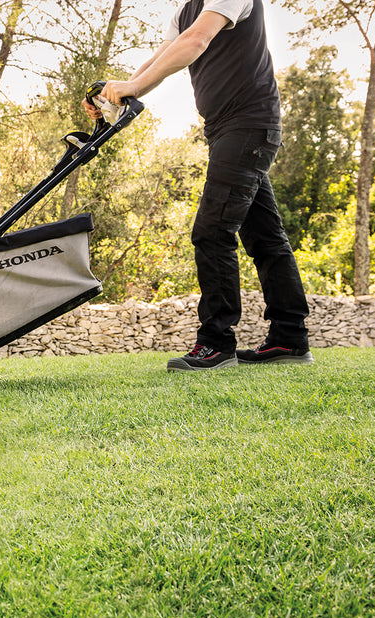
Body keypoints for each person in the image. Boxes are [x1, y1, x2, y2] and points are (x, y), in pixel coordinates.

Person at [83, 0, 312, 371]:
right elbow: (163, 57)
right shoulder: (185, 10)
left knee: (213, 229)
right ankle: (290, 340)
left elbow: (196, 41)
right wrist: (120, 94)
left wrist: (132, 86)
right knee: (265, 237)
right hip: (225, 129)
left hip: (249, 124)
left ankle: (216, 343)